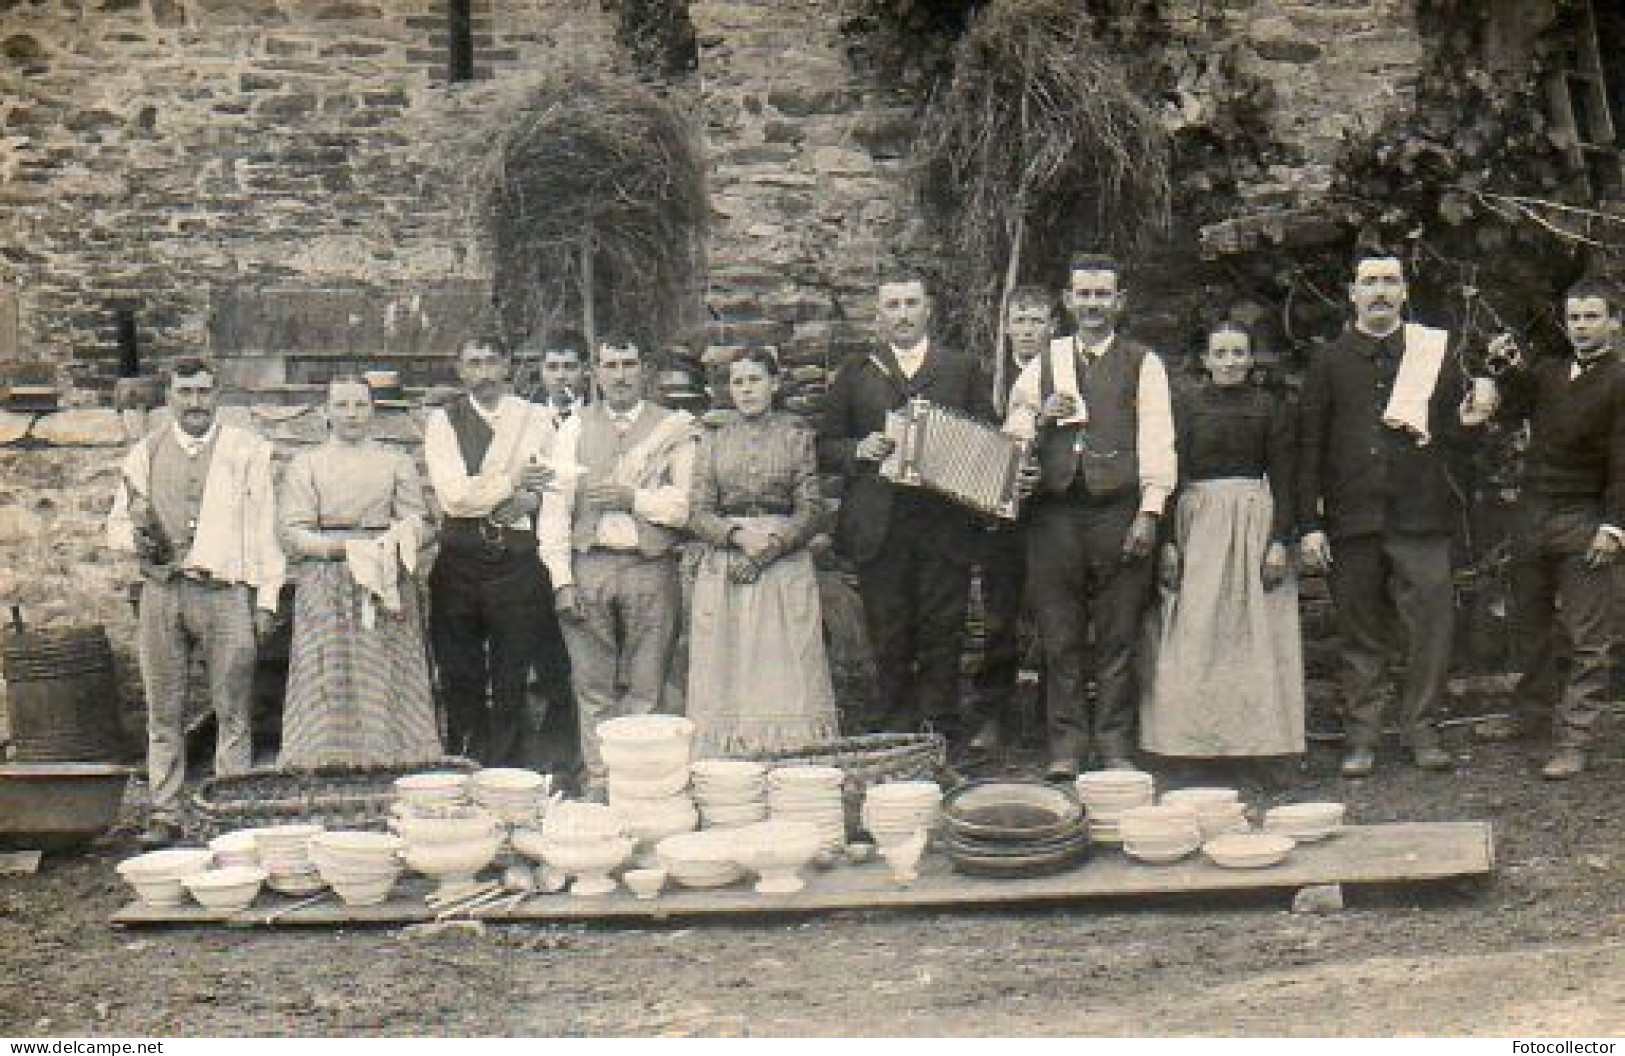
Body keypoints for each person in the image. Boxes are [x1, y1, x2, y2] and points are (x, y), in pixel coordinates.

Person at [1297, 249, 1498, 777]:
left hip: (1421, 514)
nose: (1381, 291)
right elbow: (1309, 445)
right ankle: (1361, 736)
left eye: (1390, 281)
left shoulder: (1435, 352)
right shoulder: (1329, 360)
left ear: (1405, 292)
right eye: (1370, 282)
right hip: (1353, 516)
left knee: (1430, 626)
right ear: (1353, 294)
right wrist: (1310, 524)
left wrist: (1474, 421)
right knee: (1360, 629)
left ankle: (1422, 729)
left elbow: (1454, 438)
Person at [1004, 253, 1177, 779]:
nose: (1093, 305)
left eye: (1103, 295)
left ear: (1119, 301)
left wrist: (1149, 512)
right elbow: (1011, 432)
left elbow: (1158, 440)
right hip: (1054, 515)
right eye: (1084, 294)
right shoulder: (1045, 362)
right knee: (1059, 636)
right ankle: (1066, 748)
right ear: (1068, 299)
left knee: (1118, 634)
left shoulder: (1142, 362)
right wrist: (1037, 421)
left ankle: (1116, 744)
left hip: (1117, 511)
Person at [106, 358, 284, 845]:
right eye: (185, 392)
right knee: (164, 710)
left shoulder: (247, 452)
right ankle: (165, 811)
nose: (195, 402)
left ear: (217, 395)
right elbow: (116, 527)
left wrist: (266, 598)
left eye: (204, 392)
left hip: (224, 592)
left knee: (234, 707)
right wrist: (137, 542)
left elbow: (266, 530)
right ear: (170, 397)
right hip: (163, 593)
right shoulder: (144, 453)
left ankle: (230, 805)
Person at [816, 270, 994, 742]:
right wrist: (859, 450)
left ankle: (940, 726)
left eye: (911, 303)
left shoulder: (961, 369)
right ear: (878, 317)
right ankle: (894, 726)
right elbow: (823, 445)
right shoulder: (856, 374)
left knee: (943, 628)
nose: (902, 314)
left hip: (943, 523)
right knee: (888, 630)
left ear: (927, 309)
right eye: (892, 306)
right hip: (880, 524)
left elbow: (991, 443)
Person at [540, 338, 698, 793]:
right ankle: (601, 783)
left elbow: (685, 506)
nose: (621, 374)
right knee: (593, 688)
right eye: (611, 365)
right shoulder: (573, 428)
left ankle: (642, 786)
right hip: (589, 565)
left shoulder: (672, 428)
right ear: (596, 372)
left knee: (648, 686)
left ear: (645, 369)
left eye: (630, 363)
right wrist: (562, 581)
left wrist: (635, 499)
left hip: (651, 565)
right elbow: (554, 507)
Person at [1141, 321, 1305, 762]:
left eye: (1238, 353)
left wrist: (1278, 541)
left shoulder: (1270, 407)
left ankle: (1260, 748)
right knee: (1194, 634)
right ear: (1206, 360)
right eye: (1221, 354)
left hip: (1254, 520)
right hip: (1198, 523)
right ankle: (1189, 749)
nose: (1230, 362)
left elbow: (1286, 477)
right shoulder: (1186, 405)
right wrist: (1168, 544)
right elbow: (1168, 473)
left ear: (1251, 359)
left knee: (1256, 636)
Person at [276, 377, 442, 768]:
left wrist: (397, 540)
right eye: (342, 405)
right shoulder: (307, 464)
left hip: (385, 577)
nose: (351, 414)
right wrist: (344, 549)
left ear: (373, 411)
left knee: (383, 665)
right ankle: (322, 759)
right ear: (326, 411)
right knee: (328, 666)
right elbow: (293, 532)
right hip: (326, 578)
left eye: (360, 405)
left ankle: (393, 756)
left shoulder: (395, 461)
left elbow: (417, 520)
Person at [1498, 278, 1624, 779]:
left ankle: (1575, 739)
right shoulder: (1551, 373)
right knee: (1528, 626)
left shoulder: (1620, 380)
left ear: (1614, 321)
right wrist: (1504, 367)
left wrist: (1614, 527)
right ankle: (1531, 720)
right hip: (1533, 515)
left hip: (1585, 518)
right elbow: (1513, 400)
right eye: (1574, 318)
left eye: (1592, 316)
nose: (1582, 326)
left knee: (1586, 636)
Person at [685, 348, 838, 756]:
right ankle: (729, 764)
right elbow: (697, 512)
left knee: (783, 665)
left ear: (774, 383)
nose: (747, 389)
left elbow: (811, 509)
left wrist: (770, 548)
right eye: (738, 381)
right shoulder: (713, 437)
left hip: (782, 563)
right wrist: (736, 536)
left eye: (755, 380)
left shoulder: (795, 434)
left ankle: (791, 760)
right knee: (727, 666)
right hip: (727, 560)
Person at [423, 337, 557, 765]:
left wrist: (526, 496)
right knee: (459, 670)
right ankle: (468, 760)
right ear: (460, 371)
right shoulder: (444, 422)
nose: (483, 372)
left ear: (508, 365)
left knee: (512, 671)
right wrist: (513, 483)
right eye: (473, 363)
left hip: (517, 560)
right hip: (459, 558)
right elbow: (455, 498)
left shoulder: (536, 419)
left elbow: (548, 489)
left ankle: (509, 769)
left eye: (491, 361)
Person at [966, 284, 1053, 757]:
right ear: (1006, 327)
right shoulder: (987, 383)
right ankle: (993, 718)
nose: (1027, 330)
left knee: (1053, 619)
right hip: (999, 524)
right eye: (1019, 320)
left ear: (1051, 327)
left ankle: (1046, 720)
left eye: (1036, 321)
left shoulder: (1064, 377)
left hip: (1050, 518)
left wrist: (1041, 474)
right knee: (998, 620)